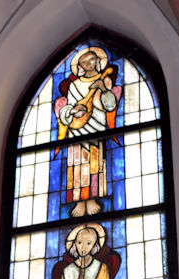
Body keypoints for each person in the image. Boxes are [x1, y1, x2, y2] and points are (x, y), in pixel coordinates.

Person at [55, 47, 121, 217]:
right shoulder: (74, 85)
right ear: (80, 66)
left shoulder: (104, 81)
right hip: (77, 130)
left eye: (92, 59)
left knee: (95, 164)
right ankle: (78, 201)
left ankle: (92, 199)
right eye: (84, 62)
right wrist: (72, 111)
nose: (89, 63)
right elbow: (67, 109)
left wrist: (104, 89)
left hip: (97, 128)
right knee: (76, 165)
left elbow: (110, 106)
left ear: (98, 62)